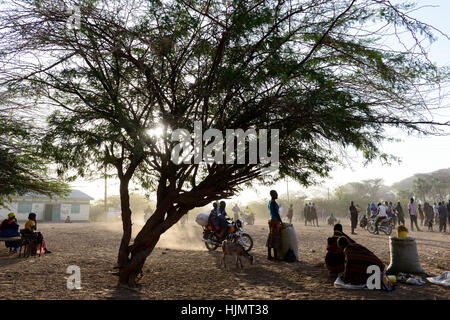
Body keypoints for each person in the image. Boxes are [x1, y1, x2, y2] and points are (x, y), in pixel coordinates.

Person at [267, 190, 282, 261]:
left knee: (271, 237)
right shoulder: (273, 202)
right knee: (275, 238)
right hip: (275, 221)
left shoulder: (270, 202)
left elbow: (271, 212)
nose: (277, 195)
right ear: (273, 195)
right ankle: (276, 257)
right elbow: (276, 213)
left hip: (271, 220)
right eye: (276, 194)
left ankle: (269, 255)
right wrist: (281, 221)